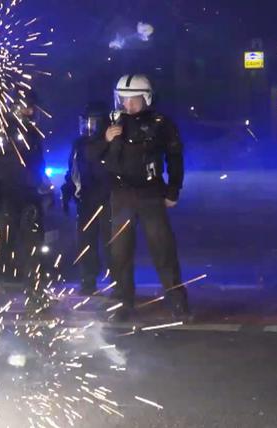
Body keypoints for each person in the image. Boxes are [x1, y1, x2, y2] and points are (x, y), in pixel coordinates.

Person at [95, 74, 190, 321]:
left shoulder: (161, 123)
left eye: (133, 99)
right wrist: (105, 139)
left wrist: (173, 190)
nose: (127, 105)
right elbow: (90, 153)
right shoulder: (110, 122)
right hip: (121, 195)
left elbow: (175, 158)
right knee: (120, 252)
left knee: (163, 250)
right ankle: (122, 302)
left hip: (150, 194)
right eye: (123, 99)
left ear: (146, 97)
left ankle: (177, 301)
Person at [0, 90, 49, 282]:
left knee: (33, 238)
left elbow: (38, 163)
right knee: (7, 237)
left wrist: (44, 190)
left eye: (32, 108)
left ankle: (33, 276)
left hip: (30, 194)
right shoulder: (3, 133)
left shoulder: (33, 134)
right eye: (26, 108)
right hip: (9, 193)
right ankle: (4, 275)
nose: (30, 111)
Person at [61, 102, 114, 296]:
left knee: (112, 244)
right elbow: (73, 171)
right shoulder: (79, 143)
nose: (87, 127)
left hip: (108, 200)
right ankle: (88, 281)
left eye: (92, 123)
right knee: (85, 243)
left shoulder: (111, 142)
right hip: (86, 200)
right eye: (85, 123)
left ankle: (118, 283)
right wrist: (67, 191)